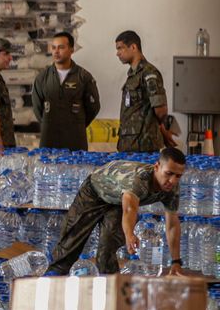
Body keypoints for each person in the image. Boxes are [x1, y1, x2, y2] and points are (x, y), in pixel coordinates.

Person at [45, 148, 188, 276]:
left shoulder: (172, 189)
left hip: (117, 201)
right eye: (168, 174)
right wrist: (129, 235)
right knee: (72, 238)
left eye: (178, 176)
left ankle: (110, 287)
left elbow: (172, 225)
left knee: (108, 247)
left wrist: (176, 261)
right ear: (157, 167)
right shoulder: (140, 179)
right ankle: (52, 277)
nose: (172, 180)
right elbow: (130, 208)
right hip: (95, 190)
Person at [31, 31, 101, 151]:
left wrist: (76, 124)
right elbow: (37, 108)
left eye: (61, 47)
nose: (56, 51)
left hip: (75, 141)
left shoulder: (83, 77)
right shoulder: (42, 77)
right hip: (49, 140)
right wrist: (49, 123)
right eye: (53, 48)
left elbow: (93, 107)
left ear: (71, 50)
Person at [114, 30, 175, 152]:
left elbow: (161, 110)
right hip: (130, 144)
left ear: (133, 47)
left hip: (144, 146)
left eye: (120, 48)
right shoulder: (133, 75)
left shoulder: (149, 73)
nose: (117, 53)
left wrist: (165, 131)